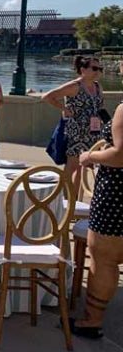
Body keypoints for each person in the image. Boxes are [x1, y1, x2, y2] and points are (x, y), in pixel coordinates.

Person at [72, 103, 123, 339]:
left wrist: (89, 155)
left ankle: (92, 320)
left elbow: (119, 155)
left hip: (116, 199)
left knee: (104, 260)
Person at [42, 55, 105, 197]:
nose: (98, 72)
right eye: (94, 68)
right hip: (76, 132)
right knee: (72, 166)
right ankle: (64, 200)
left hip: (92, 132)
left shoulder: (97, 86)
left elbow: (100, 106)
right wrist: (63, 108)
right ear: (83, 69)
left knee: (84, 168)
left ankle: (76, 202)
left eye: (99, 69)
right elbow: (47, 96)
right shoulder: (74, 86)